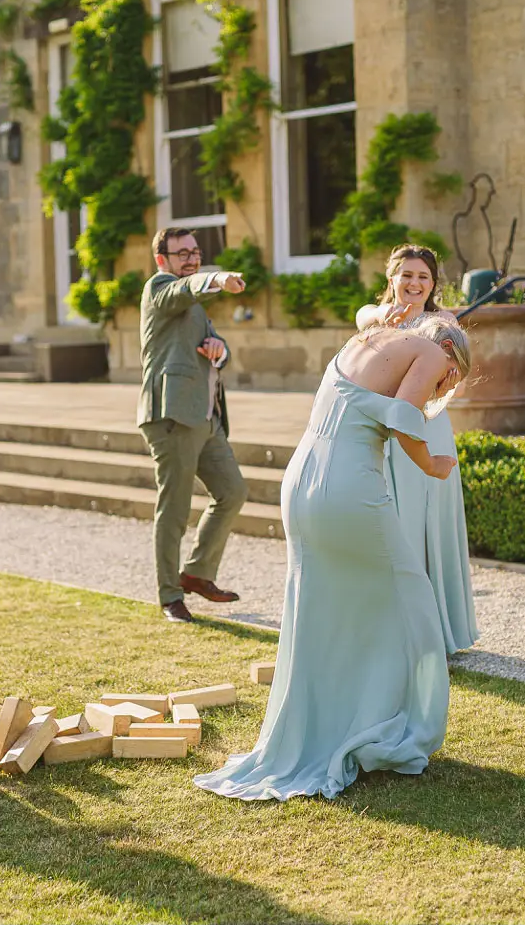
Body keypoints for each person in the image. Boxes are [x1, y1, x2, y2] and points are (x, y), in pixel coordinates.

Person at [194, 314, 471, 801]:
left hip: (301, 480)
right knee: (415, 604)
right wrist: (433, 463)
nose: (442, 382)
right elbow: (406, 415)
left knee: (322, 611)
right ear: (449, 349)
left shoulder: (365, 341)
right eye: (452, 376)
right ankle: (401, 732)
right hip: (348, 486)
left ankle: (348, 722)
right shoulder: (430, 352)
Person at [354, 245, 478, 652]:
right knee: (394, 524)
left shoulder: (444, 321)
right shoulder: (371, 317)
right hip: (385, 432)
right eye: (406, 275)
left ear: (433, 284)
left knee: (430, 526)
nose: (415, 284)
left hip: (430, 426)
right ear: (391, 279)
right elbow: (367, 317)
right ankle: (394, 632)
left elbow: (453, 381)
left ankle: (437, 632)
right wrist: (383, 318)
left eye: (423, 277)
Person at [137, 228, 249, 624]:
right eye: (181, 253)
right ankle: (170, 596)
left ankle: (197, 573)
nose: (191, 258)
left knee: (233, 491)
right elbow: (181, 293)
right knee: (174, 509)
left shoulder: (196, 304)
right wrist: (217, 278)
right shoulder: (160, 289)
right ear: (162, 260)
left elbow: (215, 345)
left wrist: (220, 351)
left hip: (206, 417)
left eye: (196, 252)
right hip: (171, 414)